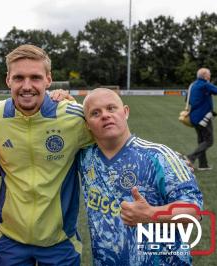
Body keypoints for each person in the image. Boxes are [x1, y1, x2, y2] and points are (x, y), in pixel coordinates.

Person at [0, 44, 92, 265]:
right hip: (10, 241)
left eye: (35, 78)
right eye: (19, 78)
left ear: (48, 80)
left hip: (60, 242)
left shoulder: (74, 119)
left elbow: (113, 139)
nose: (27, 86)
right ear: (8, 80)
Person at [78, 88, 203, 265]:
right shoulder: (84, 157)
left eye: (111, 108)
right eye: (95, 113)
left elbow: (194, 210)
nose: (105, 115)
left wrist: (151, 214)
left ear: (126, 112)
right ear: (87, 124)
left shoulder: (160, 156)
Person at [187, 68, 217, 170]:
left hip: (193, 117)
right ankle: (190, 157)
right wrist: (208, 83)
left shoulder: (193, 85)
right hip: (204, 118)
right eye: (209, 75)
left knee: (201, 141)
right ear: (205, 76)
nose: (210, 76)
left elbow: (188, 100)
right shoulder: (205, 84)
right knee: (209, 141)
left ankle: (203, 165)